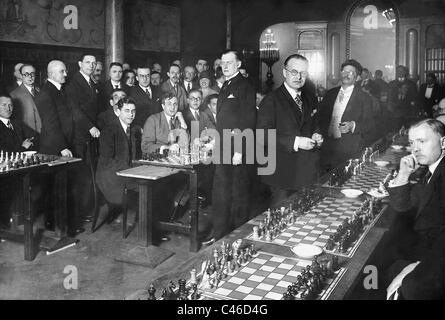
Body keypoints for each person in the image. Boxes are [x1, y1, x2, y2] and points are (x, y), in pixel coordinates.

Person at [386, 119, 445, 299]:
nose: (415, 149)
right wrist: (403, 174)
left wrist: (418, 266)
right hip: (429, 250)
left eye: (422, 141)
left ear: (443, 142)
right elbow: (403, 207)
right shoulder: (432, 169)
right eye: (412, 143)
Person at [203, 50, 256, 245]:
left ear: (238, 64)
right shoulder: (226, 85)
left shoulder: (245, 86)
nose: (225, 66)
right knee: (221, 192)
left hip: (236, 149)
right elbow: (225, 120)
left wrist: (240, 151)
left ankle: (237, 238)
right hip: (223, 147)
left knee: (238, 194)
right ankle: (220, 234)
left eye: (229, 63)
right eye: (223, 63)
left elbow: (248, 120)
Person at [257, 54, 323, 207]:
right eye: (294, 72)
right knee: (281, 222)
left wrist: (317, 134)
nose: (299, 76)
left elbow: (314, 125)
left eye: (303, 73)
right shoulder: (271, 100)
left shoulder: (309, 98)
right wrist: (296, 142)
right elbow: (262, 136)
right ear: (285, 72)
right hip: (281, 174)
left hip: (306, 172)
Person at [317, 59, 374, 171]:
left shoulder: (364, 98)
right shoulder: (330, 93)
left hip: (348, 148)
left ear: (357, 78)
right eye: (344, 71)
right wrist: (317, 132)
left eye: (351, 73)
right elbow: (320, 117)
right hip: (327, 146)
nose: (346, 74)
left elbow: (370, 124)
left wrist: (352, 126)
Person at [96, 97, 141, 209]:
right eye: (127, 111)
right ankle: (145, 223)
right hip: (110, 177)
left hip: (125, 172)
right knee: (146, 186)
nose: (131, 114)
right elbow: (107, 161)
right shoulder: (109, 130)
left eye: (133, 111)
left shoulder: (133, 129)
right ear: (117, 112)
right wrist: (131, 170)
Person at [35, 60, 73, 157]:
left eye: (65, 71)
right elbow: (50, 123)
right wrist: (62, 147)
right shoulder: (46, 93)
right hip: (54, 148)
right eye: (62, 71)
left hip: (65, 143)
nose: (65, 74)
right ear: (51, 74)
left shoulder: (61, 90)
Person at [10, 64, 42, 139]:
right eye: (26, 74)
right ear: (21, 76)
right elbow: (15, 121)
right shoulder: (14, 95)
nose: (30, 77)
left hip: (44, 136)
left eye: (32, 74)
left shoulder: (41, 91)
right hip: (27, 137)